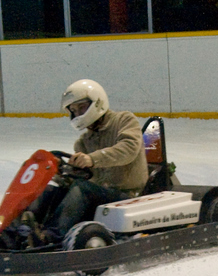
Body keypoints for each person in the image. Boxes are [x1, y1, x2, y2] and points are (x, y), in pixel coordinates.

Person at [26, 79, 148, 242]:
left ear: (97, 102)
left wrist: (92, 159)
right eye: (74, 110)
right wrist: (61, 172)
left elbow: (128, 149)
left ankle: (53, 236)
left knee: (83, 189)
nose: (78, 114)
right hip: (99, 196)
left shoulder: (124, 120)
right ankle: (20, 230)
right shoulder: (83, 142)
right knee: (50, 190)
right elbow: (82, 177)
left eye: (81, 107)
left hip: (128, 195)